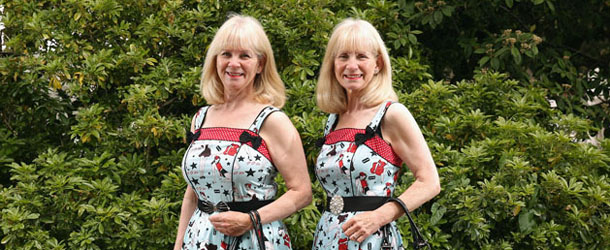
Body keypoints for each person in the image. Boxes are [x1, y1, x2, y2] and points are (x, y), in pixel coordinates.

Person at [174, 15, 312, 250]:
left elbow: (302, 192)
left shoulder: (272, 121)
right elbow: (193, 193)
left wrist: (251, 220)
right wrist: (178, 246)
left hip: (255, 239)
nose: (233, 63)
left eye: (244, 56)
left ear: (260, 65)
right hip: (199, 239)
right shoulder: (201, 118)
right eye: (226, 54)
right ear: (215, 60)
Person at [312, 18, 441, 250]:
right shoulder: (333, 119)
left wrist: (379, 217)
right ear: (332, 64)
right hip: (328, 237)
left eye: (361, 57)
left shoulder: (391, 114)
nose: (352, 66)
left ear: (378, 64)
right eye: (343, 57)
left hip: (372, 240)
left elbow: (430, 182)